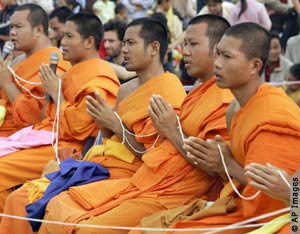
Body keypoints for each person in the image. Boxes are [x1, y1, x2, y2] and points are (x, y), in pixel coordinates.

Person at [37, 14, 233, 234]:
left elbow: (213, 166)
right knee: (57, 206)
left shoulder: (177, 92)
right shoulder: (194, 93)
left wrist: (170, 132)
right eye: (184, 43)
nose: (185, 51)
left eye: (193, 44)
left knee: (82, 225)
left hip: (160, 184)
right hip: (140, 176)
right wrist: (106, 123)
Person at [0, 17, 187, 233]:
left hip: (130, 174)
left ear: (154, 48)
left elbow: (152, 154)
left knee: (55, 206)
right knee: (21, 197)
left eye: (130, 43)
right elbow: (106, 137)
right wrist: (106, 124)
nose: (124, 49)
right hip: (98, 160)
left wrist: (112, 124)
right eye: (124, 43)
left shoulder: (168, 91)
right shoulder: (125, 89)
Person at [143, 22, 300, 234]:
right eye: (217, 55)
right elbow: (250, 183)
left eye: (227, 57)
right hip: (238, 206)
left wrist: (226, 165)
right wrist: (224, 165)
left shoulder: (275, 115)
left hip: (277, 219)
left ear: (255, 66)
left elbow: (280, 197)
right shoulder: (234, 109)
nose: (217, 64)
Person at [0, 12, 120, 215]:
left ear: (89, 41)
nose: (62, 42)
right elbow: (50, 116)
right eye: (62, 35)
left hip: (69, 148)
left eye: (69, 36)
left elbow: (78, 128)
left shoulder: (100, 77)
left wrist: (56, 92)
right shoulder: (72, 72)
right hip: (47, 136)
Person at [0, 4, 71, 137]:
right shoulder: (17, 60)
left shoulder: (53, 65)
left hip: (20, 136)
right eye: (11, 27)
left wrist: (6, 83)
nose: (12, 32)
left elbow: (34, 118)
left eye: (18, 27)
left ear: (38, 30)